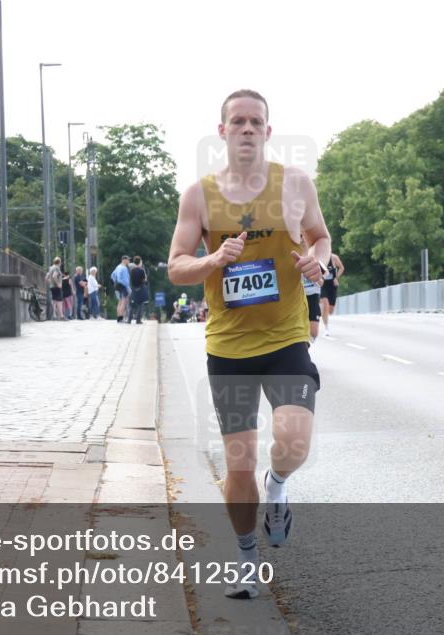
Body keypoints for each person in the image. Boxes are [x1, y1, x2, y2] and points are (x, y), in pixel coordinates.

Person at [168, 89, 330, 599]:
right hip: (230, 348)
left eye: (254, 121)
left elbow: (321, 237)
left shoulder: (296, 184)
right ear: (221, 132)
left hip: (285, 339)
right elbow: (176, 267)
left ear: (267, 130)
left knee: (294, 441)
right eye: (236, 121)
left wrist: (317, 262)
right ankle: (244, 557)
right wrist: (213, 261)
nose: (245, 129)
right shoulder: (199, 195)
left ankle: (278, 488)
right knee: (239, 465)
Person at [319, 253, 344, 336]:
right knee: (324, 303)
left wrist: (336, 278)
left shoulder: (333, 258)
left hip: (332, 284)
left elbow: (341, 268)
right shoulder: (317, 258)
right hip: (322, 284)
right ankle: (326, 328)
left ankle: (322, 310)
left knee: (330, 309)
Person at [111, 255, 131, 323]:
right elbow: (125, 280)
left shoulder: (118, 267)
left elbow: (112, 275)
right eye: (128, 260)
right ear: (124, 260)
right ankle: (121, 318)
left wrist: (115, 282)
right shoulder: (124, 268)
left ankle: (118, 317)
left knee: (119, 302)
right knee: (123, 302)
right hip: (123, 285)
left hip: (117, 285)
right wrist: (128, 287)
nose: (129, 261)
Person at [129, 255, 149, 324]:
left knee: (132, 304)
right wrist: (145, 280)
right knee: (140, 304)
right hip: (140, 288)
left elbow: (131, 280)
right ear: (140, 262)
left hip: (133, 288)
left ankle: (129, 319)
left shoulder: (132, 270)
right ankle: (138, 319)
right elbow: (144, 280)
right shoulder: (141, 270)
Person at [303, 272, 322, 343]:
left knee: (314, 333)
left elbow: (322, 281)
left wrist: (318, 279)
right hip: (299, 297)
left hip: (313, 297)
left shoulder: (316, 262)